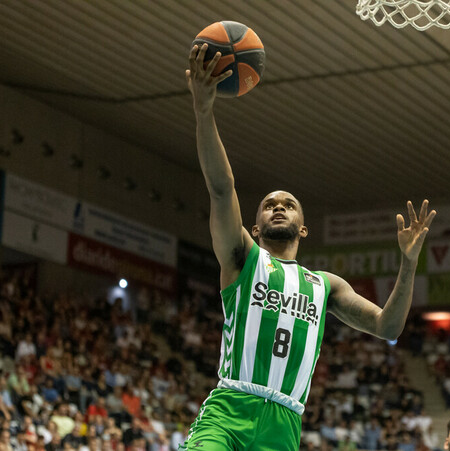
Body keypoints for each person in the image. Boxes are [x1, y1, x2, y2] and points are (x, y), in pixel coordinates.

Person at [180, 43, 436, 451]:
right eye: (269, 205)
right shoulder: (243, 257)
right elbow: (221, 188)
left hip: (285, 423)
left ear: (303, 229)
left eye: (289, 204)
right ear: (255, 227)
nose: (279, 207)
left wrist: (408, 263)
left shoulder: (325, 285)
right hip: (230, 408)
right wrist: (203, 110)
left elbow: (388, 327)